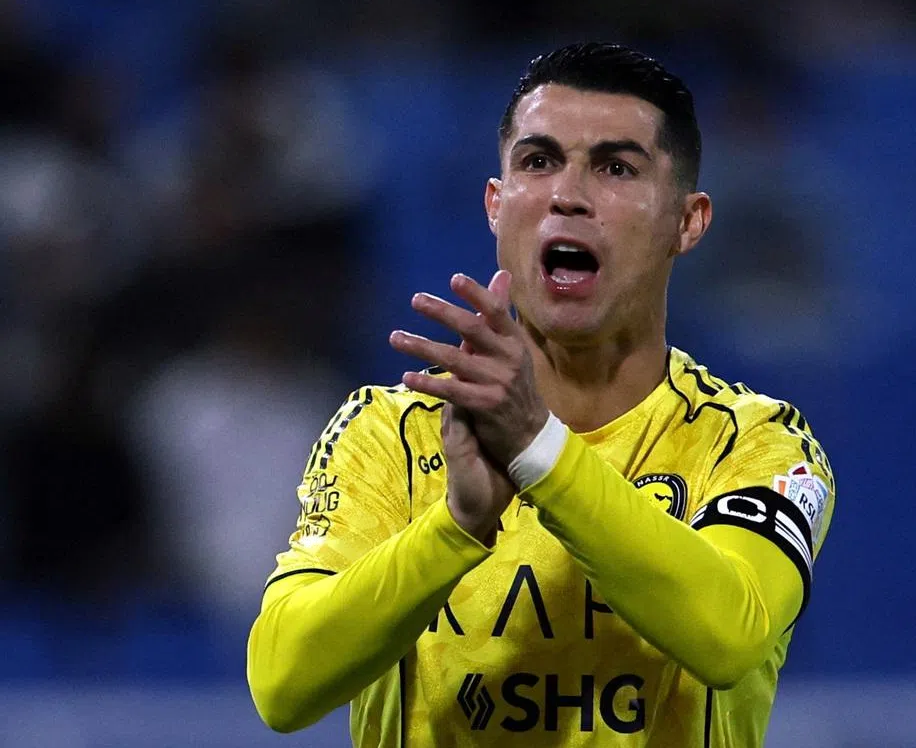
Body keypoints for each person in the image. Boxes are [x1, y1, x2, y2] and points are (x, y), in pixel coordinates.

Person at [247, 42, 836, 747]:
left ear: (689, 220)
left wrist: (539, 452)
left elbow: (726, 637)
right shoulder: (390, 433)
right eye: (538, 161)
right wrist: (456, 528)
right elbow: (282, 683)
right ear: (497, 206)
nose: (567, 194)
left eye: (616, 167)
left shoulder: (757, 445)